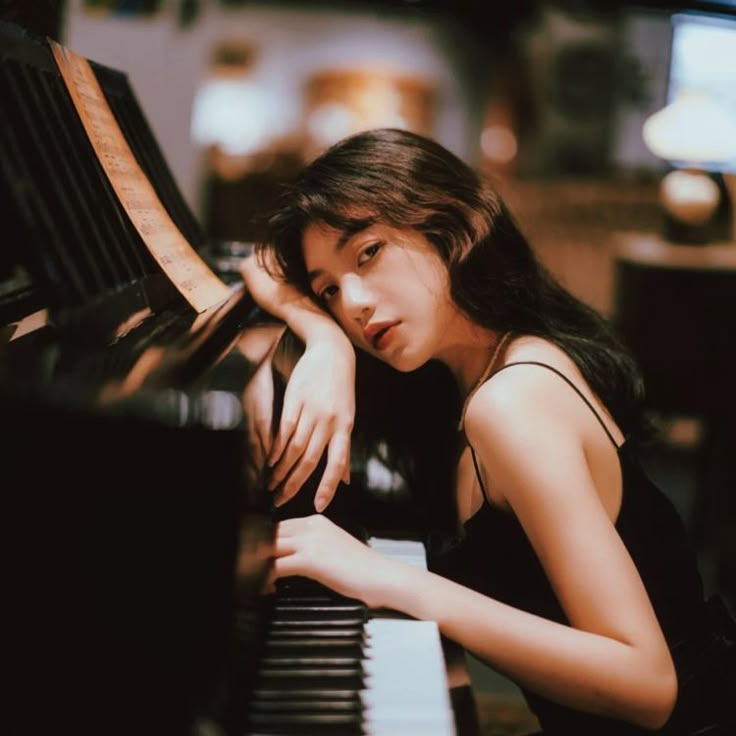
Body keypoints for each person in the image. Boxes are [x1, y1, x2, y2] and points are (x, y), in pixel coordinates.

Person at [239, 128, 736, 734]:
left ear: (450, 225)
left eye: (368, 252)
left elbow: (647, 686)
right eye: (330, 290)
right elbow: (258, 263)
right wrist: (321, 340)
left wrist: (389, 579)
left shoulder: (511, 403)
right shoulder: (477, 370)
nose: (355, 304)